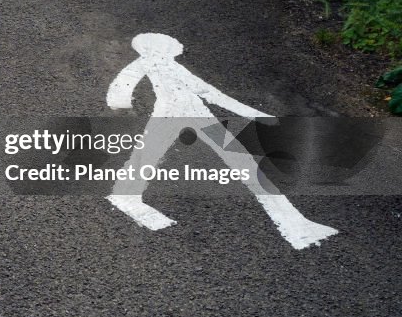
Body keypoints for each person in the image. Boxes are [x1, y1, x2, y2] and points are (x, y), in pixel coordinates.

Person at [105, 33, 338, 250]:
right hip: (171, 113)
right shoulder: (150, 64)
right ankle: (125, 195)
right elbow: (123, 86)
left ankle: (293, 221)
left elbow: (212, 94)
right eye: (161, 47)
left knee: (241, 162)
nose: (166, 50)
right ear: (151, 49)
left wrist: (258, 116)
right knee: (149, 155)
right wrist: (122, 103)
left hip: (196, 112)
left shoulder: (173, 67)